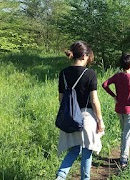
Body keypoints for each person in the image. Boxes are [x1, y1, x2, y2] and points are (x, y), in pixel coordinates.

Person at [56, 41, 104, 180]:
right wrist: (100, 120)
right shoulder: (90, 74)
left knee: (74, 149)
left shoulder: (63, 73)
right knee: (87, 151)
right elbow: (94, 100)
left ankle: (60, 176)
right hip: (87, 116)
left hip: (70, 116)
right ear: (84, 56)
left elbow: (61, 98)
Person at [102, 54, 130, 168]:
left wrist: (114, 96)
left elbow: (104, 84)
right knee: (128, 135)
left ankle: (123, 154)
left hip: (119, 109)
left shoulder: (117, 76)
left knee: (124, 133)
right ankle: (123, 159)